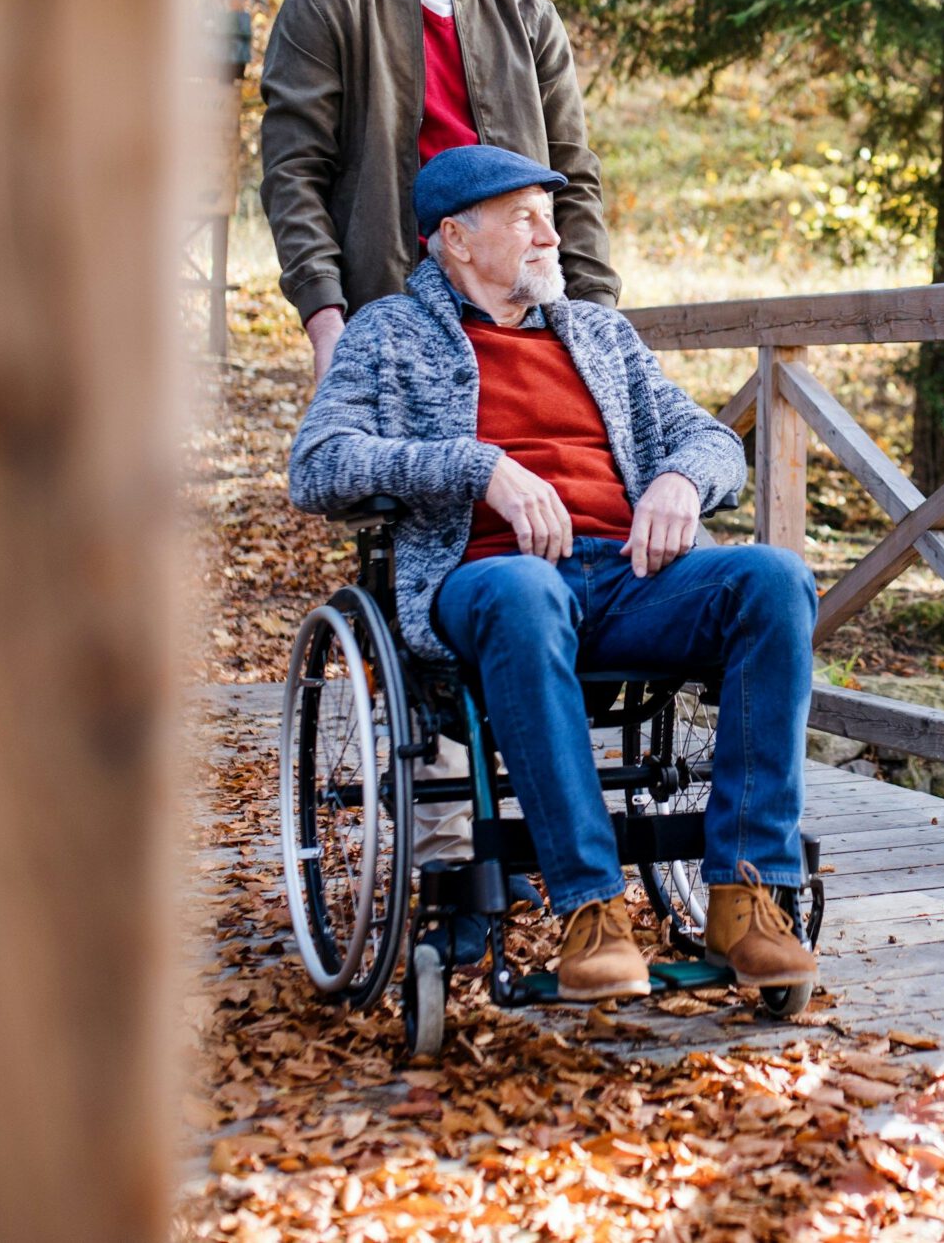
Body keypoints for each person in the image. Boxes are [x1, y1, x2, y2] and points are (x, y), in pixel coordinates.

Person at [288, 145, 820, 1003]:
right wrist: (475, 467)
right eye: (526, 217)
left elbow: (712, 437)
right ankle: (590, 908)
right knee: (525, 590)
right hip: (488, 580)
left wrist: (683, 479)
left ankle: (747, 893)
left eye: (551, 212)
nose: (552, 233)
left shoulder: (600, 333)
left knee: (774, 581)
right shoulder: (391, 334)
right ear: (455, 241)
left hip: (623, 574)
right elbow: (317, 464)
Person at [260, 0, 618, 383]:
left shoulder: (529, 16)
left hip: (521, 321)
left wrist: (594, 320)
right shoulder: (326, 6)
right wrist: (327, 324)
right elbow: (294, 176)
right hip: (390, 317)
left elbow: (574, 176)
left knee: (539, 478)